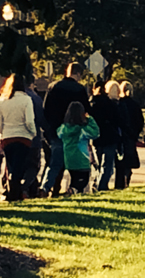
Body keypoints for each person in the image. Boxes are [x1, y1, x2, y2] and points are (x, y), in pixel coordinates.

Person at [40, 62, 90, 198]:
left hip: (56, 132)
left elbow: (45, 111)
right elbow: (86, 112)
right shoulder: (79, 90)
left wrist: (48, 130)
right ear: (78, 74)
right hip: (74, 133)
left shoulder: (53, 87)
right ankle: (73, 189)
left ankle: (46, 187)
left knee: (55, 164)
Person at [0, 74, 36, 201]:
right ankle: (15, 194)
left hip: (7, 137)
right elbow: (29, 121)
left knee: (11, 165)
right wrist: (33, 133)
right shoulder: (26, 100)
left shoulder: (1, 100)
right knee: (20, 167)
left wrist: (3, 131)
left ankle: (12, 192)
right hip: (23, 137)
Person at [58, 101, 100, 194]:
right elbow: (96, 133)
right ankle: (73, 190)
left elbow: (58, 134)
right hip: (82, 159)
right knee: (83, 181)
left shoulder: (63, 128)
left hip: (69, 159)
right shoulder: (82, 130)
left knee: (74, 178)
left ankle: (72, 190)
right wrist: (90, 119)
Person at [22, 75, 50, 198]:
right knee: (33, 166)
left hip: (11, 137)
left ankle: (21, 188)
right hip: (32, 138)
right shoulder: (35, 98)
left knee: (17, 166)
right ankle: (24, 188)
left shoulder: (7, 97)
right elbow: (41, 119)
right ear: (32, 84)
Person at [92, 80, 122, 190]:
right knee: (107, 165)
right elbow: (118, 120)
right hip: (110, 137)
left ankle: (97, 184)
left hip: (96, 137)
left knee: (99, 165)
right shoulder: (110, 104)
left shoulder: (91, 104)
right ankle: (101, 185)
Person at [116, 81, 144, 189]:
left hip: (121, 135)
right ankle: (127, 179)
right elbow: (140, 121)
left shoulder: (119, 103)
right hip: (131, 136)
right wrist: (136, 133)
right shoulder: (135, 104)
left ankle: (120, 183)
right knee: (129, 159)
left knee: (120, 161)